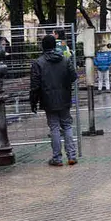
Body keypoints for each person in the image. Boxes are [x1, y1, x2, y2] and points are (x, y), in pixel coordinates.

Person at [30, 34, 79, 166]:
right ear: (54, 46)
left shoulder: (38, 63)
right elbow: (74, 77)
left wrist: (33, 102)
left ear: (43, 46)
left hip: (48, 100)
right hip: (64, 98)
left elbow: (35, 85)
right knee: (67, 126)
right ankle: (72, 156)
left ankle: (57, 158)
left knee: (54, 128)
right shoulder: (65, 60)